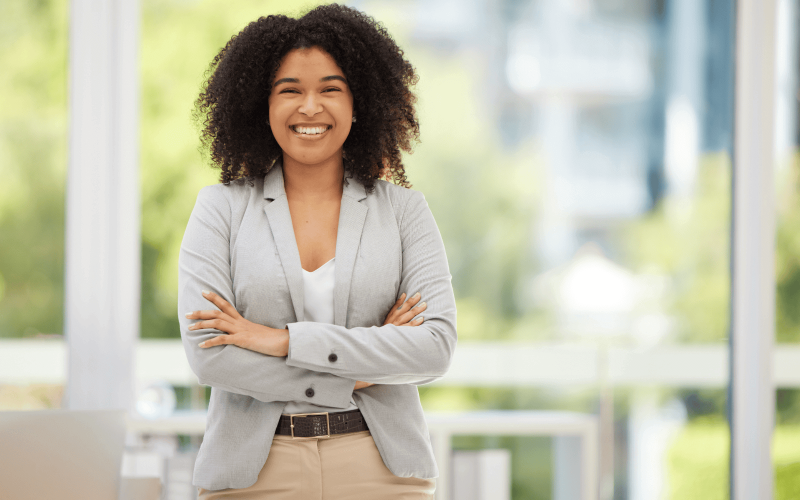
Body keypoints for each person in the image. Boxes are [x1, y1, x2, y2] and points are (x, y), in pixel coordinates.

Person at [179, 4, 457, 499]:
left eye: (330, 89)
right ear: (259, 103)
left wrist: (279, 340)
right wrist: (360, 372)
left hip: (380, 468)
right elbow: (211, 358)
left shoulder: (404, 211)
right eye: (290, 90)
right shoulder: (219, 209)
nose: (310, 107)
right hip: (253, 474)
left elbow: (434, 347)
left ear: (359, 103)